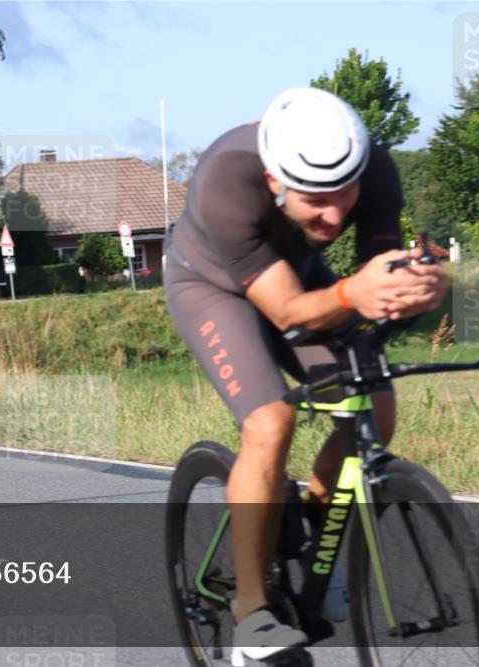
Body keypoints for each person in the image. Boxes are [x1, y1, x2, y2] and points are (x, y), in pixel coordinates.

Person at [163, 88, 448, 663]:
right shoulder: (227, 180)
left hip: (295, 274)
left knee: (376, 408)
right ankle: (251, 614)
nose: (336, 214)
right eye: (316, 200)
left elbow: (380, 277)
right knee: (271, 421)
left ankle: (315, 527)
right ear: (275, 182)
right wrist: (350, 292)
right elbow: (290, 312)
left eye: (346, 192)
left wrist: (421, 287)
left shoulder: (377, 169)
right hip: (209, 284)